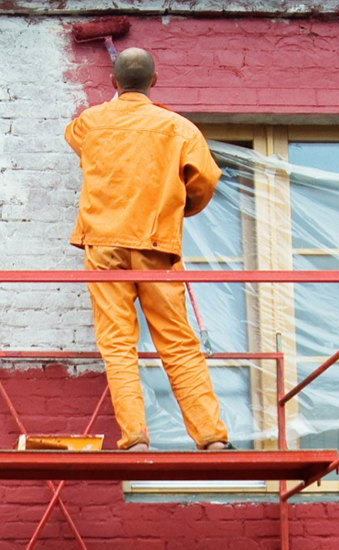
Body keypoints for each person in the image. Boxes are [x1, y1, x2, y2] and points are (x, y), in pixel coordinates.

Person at [65, 47, 231, 452]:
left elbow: (75, 137)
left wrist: (114, 108)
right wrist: (180, 208)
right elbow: (205, 180)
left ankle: (136, 436)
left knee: (118, 344)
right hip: (157, 244)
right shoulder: (179, 129)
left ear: (113, 83)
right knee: (177, 341)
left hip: (104, 246)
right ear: (154, 82)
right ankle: (210, 436)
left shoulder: (92, 122)